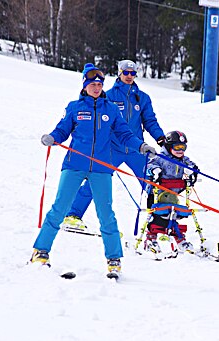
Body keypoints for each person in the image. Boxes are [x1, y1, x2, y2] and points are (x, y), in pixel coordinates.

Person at [30, 63, 157, 276]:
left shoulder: (111, 109)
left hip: (101, 168)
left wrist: (141, 146)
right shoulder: (74, 107)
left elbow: (125, 134)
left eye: (99, 84)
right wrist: (52, 138)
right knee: (59, 208)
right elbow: (62, 130)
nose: (97, 88)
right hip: (74, 165)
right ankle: (40, 250)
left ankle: (113, 259)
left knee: (106, 213)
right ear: (85, 85)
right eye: (93, 84)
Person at [63, 59, 165, 230]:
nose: (129, 76)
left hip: (135, 149)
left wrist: (160, 138)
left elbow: (150, 121)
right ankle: (73, 215)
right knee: (94, 180)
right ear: (119, 73)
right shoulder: (108, 96)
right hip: (112, 149)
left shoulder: (142, 98)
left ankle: (159, 221)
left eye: (133, 73)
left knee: (151, 184)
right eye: (126, 72)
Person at [144, 130, 199, 253]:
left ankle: (179, 237)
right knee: (158, 215)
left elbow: (192, 165)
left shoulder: (183, 160)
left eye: (183, 147)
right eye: (177, 147)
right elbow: (148, 166)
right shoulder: (160, 158)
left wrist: (193, 171)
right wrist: (155, 171)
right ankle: (151, 238)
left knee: (173, 214)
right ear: (169, 147)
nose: (181, 150)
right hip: (156, 193)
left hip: (173, 194)